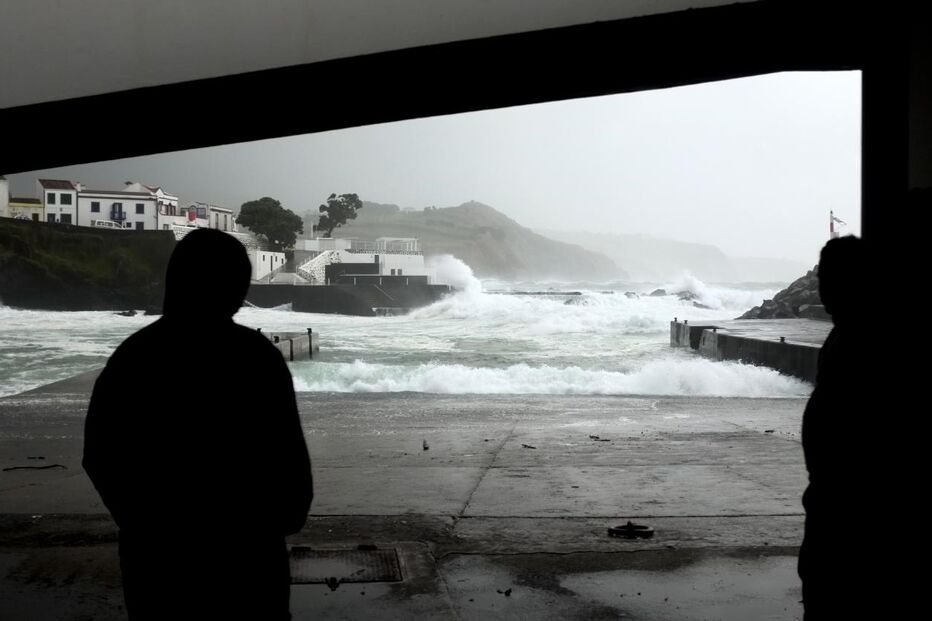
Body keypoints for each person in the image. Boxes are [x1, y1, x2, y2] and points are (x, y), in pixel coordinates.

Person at [83, 229, 313, 620]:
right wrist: (281, 521)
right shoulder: (255, 357)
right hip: (248, 556)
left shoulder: (136, 355)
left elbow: (100, 454)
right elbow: (287, 455)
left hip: (157, 561)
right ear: (235, 287)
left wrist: (141, 523)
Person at [798, 235, 875, 619]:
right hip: (829, 494)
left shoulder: (864, 337)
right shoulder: (845, 331)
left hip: (845, 502)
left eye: (831, 280)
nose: (823, 291)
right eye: (822, 281)